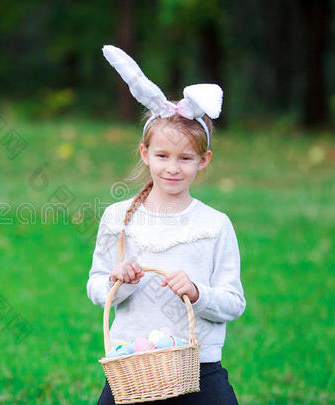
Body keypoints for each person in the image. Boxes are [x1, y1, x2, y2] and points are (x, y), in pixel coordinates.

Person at [87, 45, 246, 404]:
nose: (172, 168)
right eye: (162, 156)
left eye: (185, 158)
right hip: (132, 364)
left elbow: (234, 302)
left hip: (199, 367)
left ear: (203, 160)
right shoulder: (119, 218)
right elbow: (96, 287)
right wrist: (118, 280)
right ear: (145, 154)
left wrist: (197, 292)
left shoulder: (215, 225)